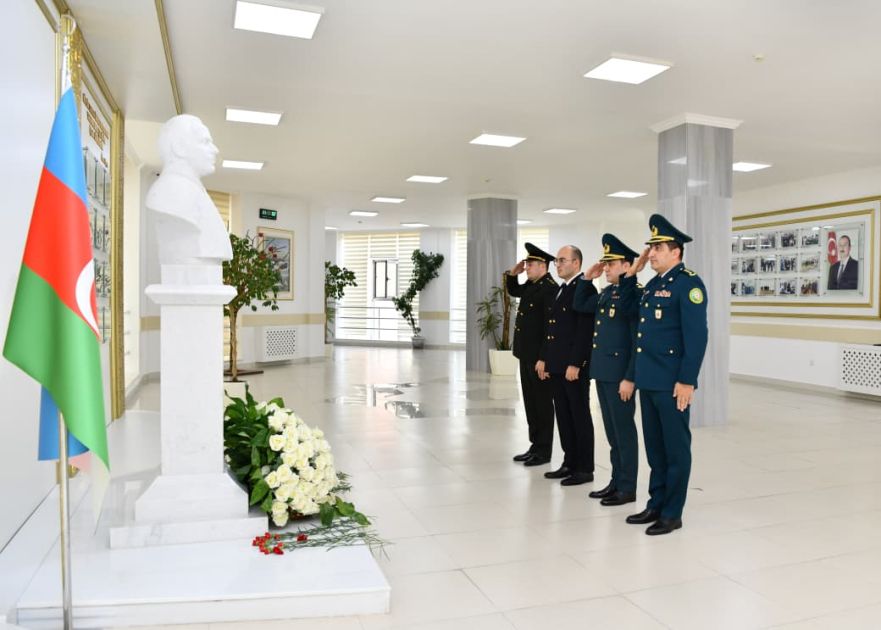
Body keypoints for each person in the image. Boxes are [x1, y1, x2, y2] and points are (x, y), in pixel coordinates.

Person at [619, 214, 708, 535]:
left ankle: (672, 513)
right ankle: (655, 504)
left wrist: (687, 381)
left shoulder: (689, 284)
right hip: (649, 380)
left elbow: (697, 337)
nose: (651, 253)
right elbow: (629, 312)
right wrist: (631, 274)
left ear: (676, 252)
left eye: (658, 248)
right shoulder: (654, 284)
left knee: (675, 451)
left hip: (672, 384)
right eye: (651, 247)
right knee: (655, 450)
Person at [573, 234, 639, 506]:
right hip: (603, 372)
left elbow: (636, 342)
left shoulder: (634, 295)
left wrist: (630, 377)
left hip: (620, 376)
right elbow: (580, 305)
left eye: (611, 263)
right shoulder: (607, 293)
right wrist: (587, 279)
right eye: (606, 263)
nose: (607, 268)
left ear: (627, 266)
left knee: (624, 433)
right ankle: (616, 481)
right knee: (612, 433)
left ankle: (627, 487)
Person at [537, 246, 596, 485]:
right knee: (563, 415)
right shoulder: (562, 289)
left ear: (576, 263)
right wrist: (545, 358)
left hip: (572, 367)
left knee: (579, 416)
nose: (558, 265)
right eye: (557, 261)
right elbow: (552, 328)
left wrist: (576, 363)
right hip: (557, 365)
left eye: (562, 260)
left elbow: (584, 331)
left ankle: (584, 468)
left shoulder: (585, 288)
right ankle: (569, 462)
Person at [146, 114, 232, 270]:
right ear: (179, 148)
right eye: (205, 142)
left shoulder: (195, 191)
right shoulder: (169, 193)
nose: (215, 150)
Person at [506, 243, 558, 466]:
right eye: (526, 264)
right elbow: (514, 291)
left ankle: (544, 451)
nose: (526, 268)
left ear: (543, 266)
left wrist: (544, 358)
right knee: (531, 402)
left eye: (530, 264)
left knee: (542, 404)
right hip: (526, 354)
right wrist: (512, 274)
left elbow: (550, 328)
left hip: (538, 358)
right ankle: (535, 445)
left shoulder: (549, 289)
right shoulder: (533, 284)